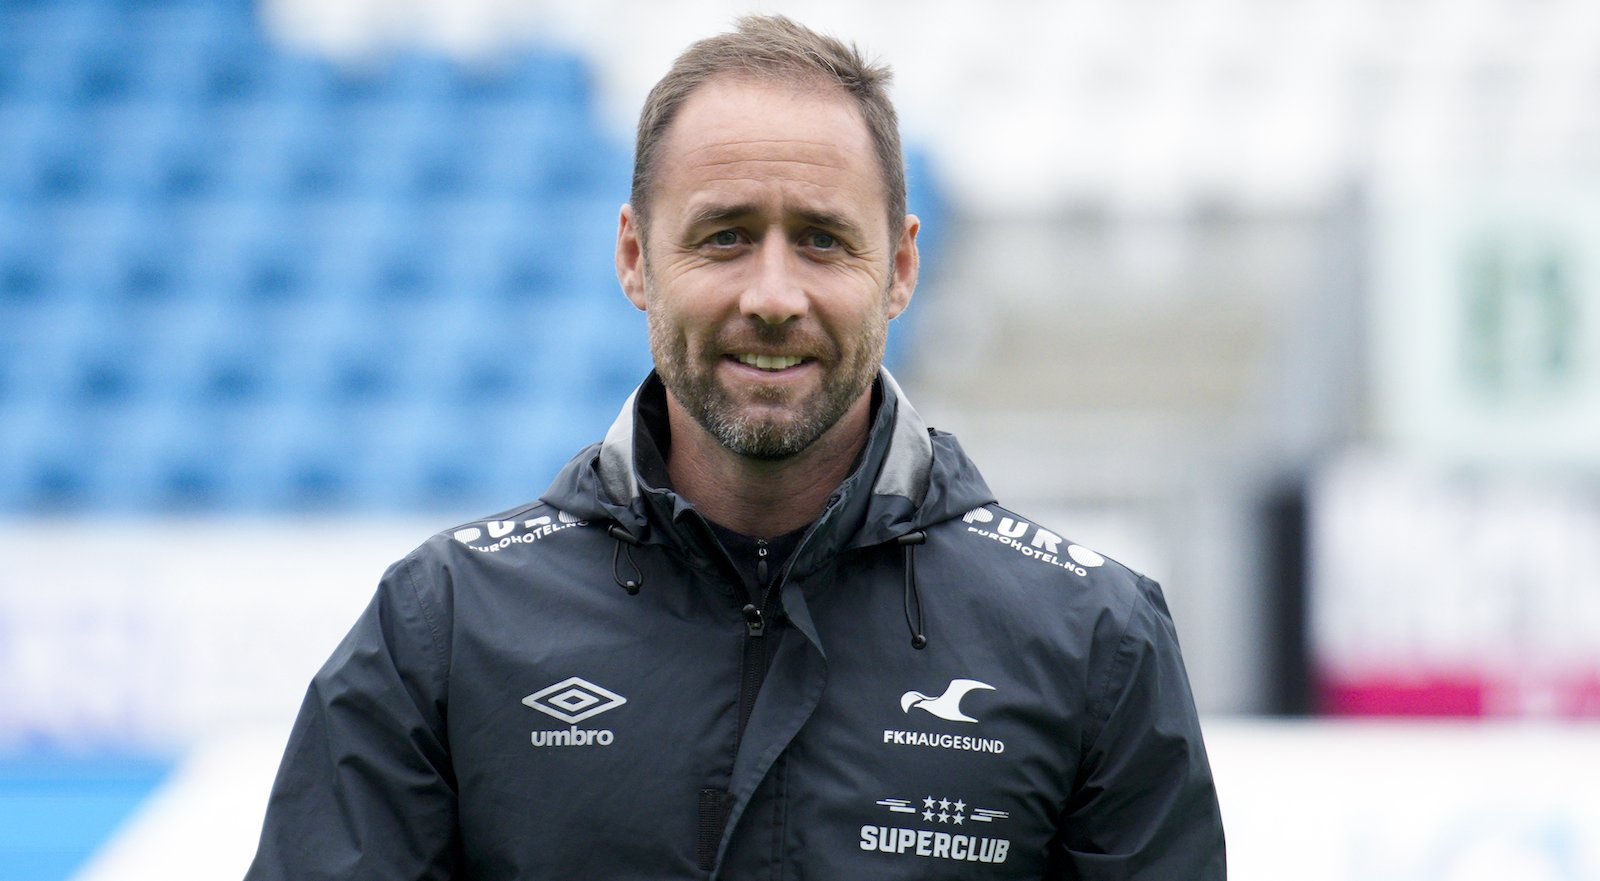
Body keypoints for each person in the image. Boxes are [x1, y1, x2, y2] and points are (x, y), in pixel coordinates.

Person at [246, 14, 1225, 880]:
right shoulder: (447, 625)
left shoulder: (1090, 637)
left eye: (822, 239)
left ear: (900, 266)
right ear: (635, 257)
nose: (772, 295)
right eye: (724, 236)